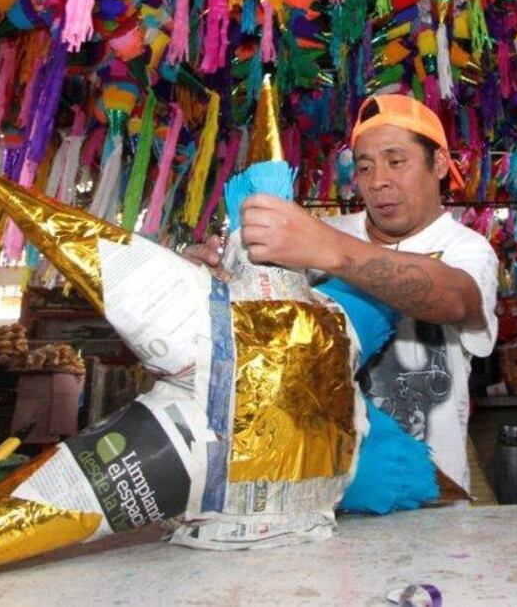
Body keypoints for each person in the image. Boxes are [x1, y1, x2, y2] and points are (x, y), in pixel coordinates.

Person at [188, 93, 497, 493]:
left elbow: (454, 298)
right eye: (365, 167)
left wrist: (327, 249)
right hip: (323, 490)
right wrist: (206, 278)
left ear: (438, 163)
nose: (378, 180)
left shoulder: (467, 249)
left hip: (430, 494)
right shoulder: (320, 236)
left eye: (396, 161)